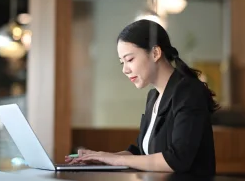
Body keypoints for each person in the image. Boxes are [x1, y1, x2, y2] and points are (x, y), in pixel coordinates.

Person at [65, 19, 220, 176]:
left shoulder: (188, 91)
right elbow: (141, 152)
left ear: (155, 53)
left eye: (130, 59)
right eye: (122, 63)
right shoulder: (154, 96)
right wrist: (102, 158)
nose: (125, 70)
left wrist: (116, 160)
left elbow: (177, 159)